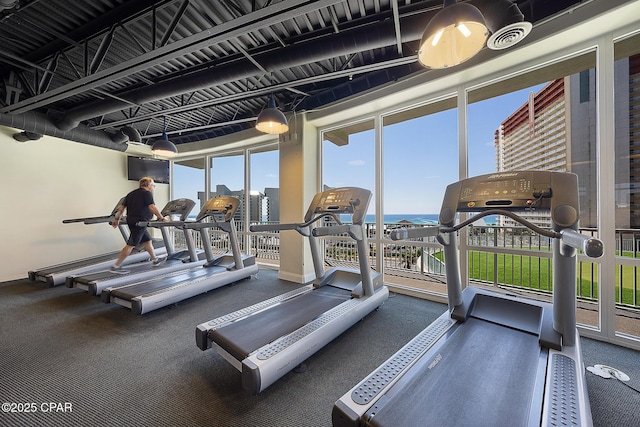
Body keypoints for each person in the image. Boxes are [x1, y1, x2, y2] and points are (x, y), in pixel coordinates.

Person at [109, 177, 168, 274]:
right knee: (131, 244)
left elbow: (121, 208)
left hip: (132, 221)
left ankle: (155, 260)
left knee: (148, 240)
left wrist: (116, 219)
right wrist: (162, 218)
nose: (153, 187)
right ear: (148, 185)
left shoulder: (130, 194)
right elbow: (152, 206)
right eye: (153, 185)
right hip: (139, 222)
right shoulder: (147, 193)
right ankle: (116, 266)